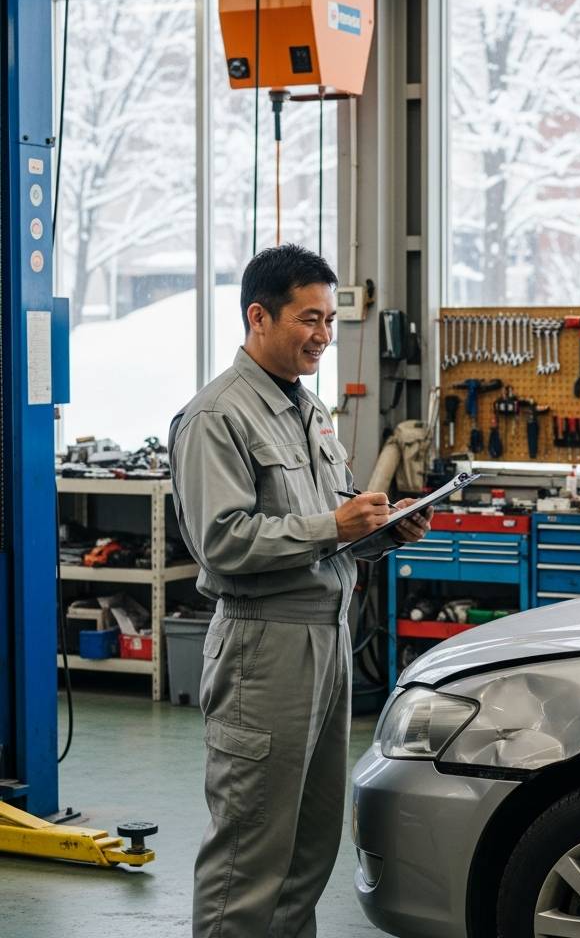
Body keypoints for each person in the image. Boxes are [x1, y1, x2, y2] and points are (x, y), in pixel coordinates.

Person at [169, 243, 431, 938]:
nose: (322, 335)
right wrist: (332, 523)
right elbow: (222, 540)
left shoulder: (305, 408)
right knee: (250, 853)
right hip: (264, 645)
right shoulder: (216, 418)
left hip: (327, 636)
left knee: (308, 849)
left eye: (328, 321)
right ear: (259, 316)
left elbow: (328, 526)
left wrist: (380, 529)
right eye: (308, 319)